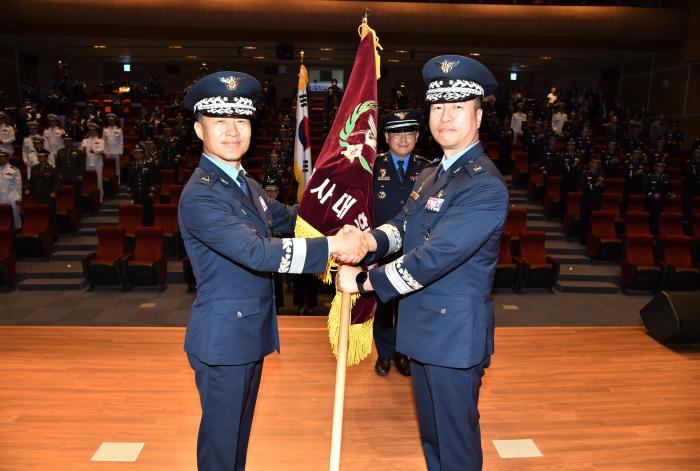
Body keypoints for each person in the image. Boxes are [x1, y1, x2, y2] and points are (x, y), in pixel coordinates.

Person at [178, 70, 367, 471]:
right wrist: (334, 246)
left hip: (246, 333)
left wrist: (339, 216)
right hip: (223, 341)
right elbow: (256, 253)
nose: (233, 132)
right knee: (221, 445)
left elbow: (292, 217)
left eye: (241, 121)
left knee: (236, 440)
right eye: (220, 122)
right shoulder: (201, 195)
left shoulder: (243, 183)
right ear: (199, 130)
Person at [338, 54, 508, 471]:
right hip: (425, 330)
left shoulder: (484, 186)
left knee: (456, 444)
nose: (445, 117)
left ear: (479, 117)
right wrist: (367, 241)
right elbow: (402, 227)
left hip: (453, 337)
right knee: (433, 440)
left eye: (457, 107)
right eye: (437, 107)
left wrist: (364, 282)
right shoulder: (432, 173)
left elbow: (435, 257)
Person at [372, 109, 434, 377]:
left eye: (409, 132)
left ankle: (403, 353)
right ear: (387, 136)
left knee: (409, 305)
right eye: (397, 133)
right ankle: (385, 354)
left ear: (418, 135)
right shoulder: (372, 166)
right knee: (384, 305)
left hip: (414, 249)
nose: (403, 138)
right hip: (383, 247)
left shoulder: (429, 169)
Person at [125, 145, 158, 225]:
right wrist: (129, 190)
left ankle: (148, 230)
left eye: (139, 153)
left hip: (146, 193)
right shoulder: (131, 165)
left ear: (143, 154)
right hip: (136, 193)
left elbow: (154, 179)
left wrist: (152, 190)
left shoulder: (149, 164)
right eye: (135, 153)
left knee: (147, 212)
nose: (137, 155)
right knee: (137, 212)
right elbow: (129, 179)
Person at [81, 122, 105, 201]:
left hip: (97, 163)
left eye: (93, 130)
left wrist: (94, 150)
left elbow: (102, 150)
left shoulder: (100, 140)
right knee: (89, 181)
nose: (91, 132)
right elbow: (82, 150)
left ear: (97, 131)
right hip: (88, 163)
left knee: (98, 181)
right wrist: (83, 151)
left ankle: (100, 196)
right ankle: (90, 197)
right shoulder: (85, 140)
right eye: (90, 130)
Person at [0, 150, 22, 229]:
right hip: (0, 198)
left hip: (11, 198)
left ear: (6, 158)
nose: (0, 159)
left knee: (15, 217)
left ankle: (16, 232)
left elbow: (18, 186)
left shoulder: (14, 170)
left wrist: (19, 198)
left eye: (2, 157)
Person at [103, 113, 124, 183]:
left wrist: (120, 151)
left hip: (116, 151)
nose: (111, 121)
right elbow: (104, 141)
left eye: (112, 120)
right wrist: (104, 151)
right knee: (108, 167)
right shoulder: (105, 130)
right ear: (108, 121)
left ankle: (118, 181)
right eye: (109, 120)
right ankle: (109, 181)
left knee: (117, 167)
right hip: (108, 151)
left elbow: (121, 141)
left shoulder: (119, 130)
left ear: (115, 120)